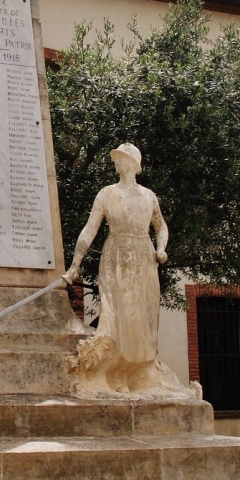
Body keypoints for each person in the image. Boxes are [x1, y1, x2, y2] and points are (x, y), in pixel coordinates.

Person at [63, 142, 190, 395]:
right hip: (116, 256)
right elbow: (90, 229)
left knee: (142, 318)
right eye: (116, 159)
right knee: (116, 316)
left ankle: (138, 373)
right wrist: (75, 264)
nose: (116, 162)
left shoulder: (148, 196)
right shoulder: (107, 193)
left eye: (120, 158)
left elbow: (161, 226)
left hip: (144, 257)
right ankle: (115, 372)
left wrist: (161, 247)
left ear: (132, 163)